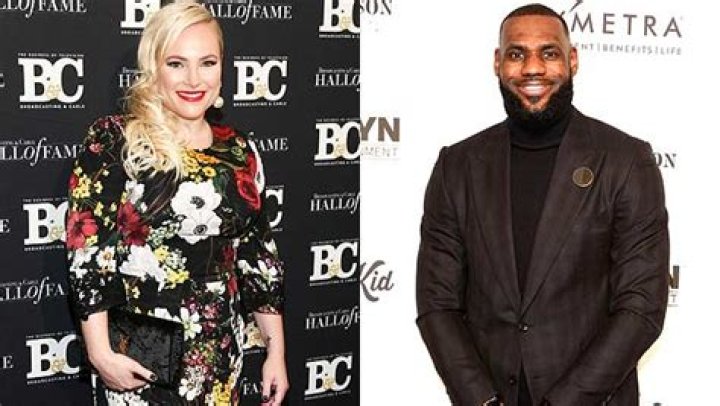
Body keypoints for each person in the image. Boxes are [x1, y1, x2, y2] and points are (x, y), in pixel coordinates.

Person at [415, 4, 669, 406]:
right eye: (516, 54)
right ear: (498, 63)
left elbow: (641, 307)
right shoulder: (457, 166)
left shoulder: (625, 161)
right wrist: (483, 400)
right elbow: (437, 302)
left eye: (549, 53)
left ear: (572, 60)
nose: (532, 68)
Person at [65, 1, 288, 404]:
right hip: (141, 364)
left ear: (222, 68)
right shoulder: (116, 141)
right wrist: (100, 355)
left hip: (220, 359)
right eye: (176, 63)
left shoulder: (239, 151)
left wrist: (276, 352)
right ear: (154, 67)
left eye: (207, 63)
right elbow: (88, 253)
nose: (193, 79)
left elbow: (258, 257)